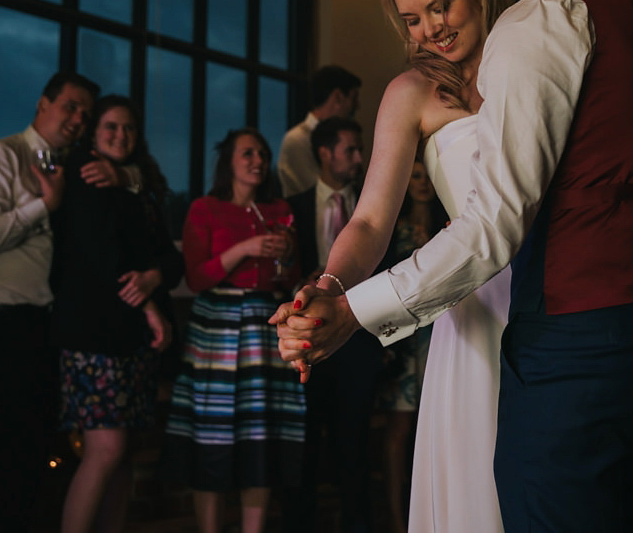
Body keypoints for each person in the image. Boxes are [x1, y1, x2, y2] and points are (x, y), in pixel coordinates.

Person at [276, 0, 633, 532]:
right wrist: (330, 286)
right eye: (410, 21)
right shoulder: (411, 94)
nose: (430, 30)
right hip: (477, 307)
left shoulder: (544, 28)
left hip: (561, 306)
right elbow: (371, 220)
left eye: (439, 3)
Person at [0, 70, 99, 532]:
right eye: (70, 106)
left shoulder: (75, 169)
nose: (79, 119)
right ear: (43, 103)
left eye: (86, 113)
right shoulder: (1, 155)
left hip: (49, 323)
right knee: (18, 442)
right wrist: (45, 206)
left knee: (41, 444)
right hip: (2, 318)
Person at [50, 95, 183, 532]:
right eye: (110, 127)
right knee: (105, 450)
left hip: (133, 340)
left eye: (128, 128)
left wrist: (154, 276)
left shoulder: (139, 187)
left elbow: (171, 258)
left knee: (123, 454)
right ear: (93, 133)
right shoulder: (85, 175)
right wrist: (149, 306)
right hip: (94, 332)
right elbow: (97, 256)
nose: (120, 136)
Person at [160, 128, 302, 533]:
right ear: (229, 162)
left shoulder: (279, 209)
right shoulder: (205, 208)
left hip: (263, 325)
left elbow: (289, 278)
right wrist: (244, 249)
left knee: (261, 435)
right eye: (247, 153)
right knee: (213, 434)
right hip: (215, 327)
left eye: (262, 153)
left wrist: (287, 256)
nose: (257, 160)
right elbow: (196, 276)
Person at [284, 117, 381, 533]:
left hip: (360, 340)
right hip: (306, 342)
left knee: (355, 447)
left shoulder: (375, 206)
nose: (360, 158)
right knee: (302, 448)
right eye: (351, 150)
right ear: (325, 153)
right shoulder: (292, 207)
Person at [375, 158, 447, 533]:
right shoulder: (391, 229)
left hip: (443, 336)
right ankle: (397, 519)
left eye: (426, 177)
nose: (421, 184)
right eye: (414, 177)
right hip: (403, 341)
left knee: (439, 428)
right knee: (399, 431)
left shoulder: (449, 226)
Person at [277, 66, 361, 197]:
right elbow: (322, 193)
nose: (357, 106)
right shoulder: (297, 140)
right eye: (354, 98)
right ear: (338, 97)